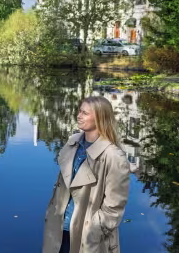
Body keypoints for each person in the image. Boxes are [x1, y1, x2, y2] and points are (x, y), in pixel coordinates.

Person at [42, 96, 130, 253]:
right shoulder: (73, 143)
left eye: (85, 113)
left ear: (100, 118)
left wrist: (93, 232)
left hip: (88, 237)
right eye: (79, 111)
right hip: (59, 228)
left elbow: (114, 208)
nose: (79, 115)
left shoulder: (113, 157)